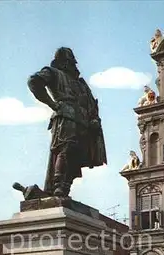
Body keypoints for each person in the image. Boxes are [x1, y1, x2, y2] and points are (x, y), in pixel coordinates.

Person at [28, 47, 107, 197]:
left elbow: (92, 104)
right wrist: (52, 104)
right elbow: (34, 82)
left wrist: (95, 119)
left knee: (76, 157)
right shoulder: (53, 73)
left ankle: (64, 190)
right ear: (62, 62)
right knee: (65, 150)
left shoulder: (81, 84)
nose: (72, 66)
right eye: (69, 62)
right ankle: (57, 186)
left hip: (84, 124)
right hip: (67, 117)